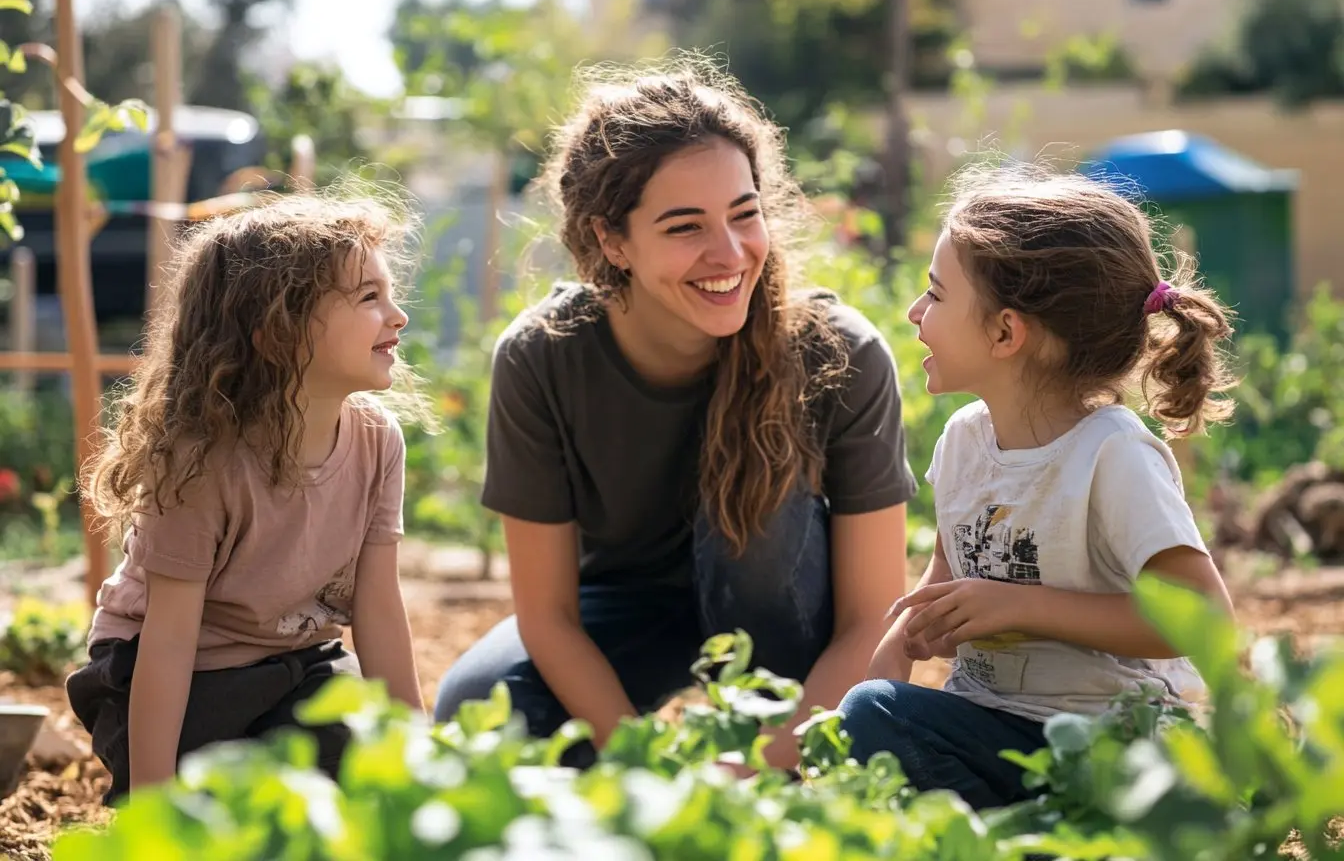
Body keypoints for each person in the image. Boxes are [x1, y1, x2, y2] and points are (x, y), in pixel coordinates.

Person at [432, 56, 920, 772]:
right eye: (684, 226)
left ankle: (796, 760)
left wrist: (762, 769)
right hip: (629, 614)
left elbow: (870, 625)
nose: (728, 254)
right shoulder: (541, 358)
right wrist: (645, 769)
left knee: (753, 526)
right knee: (477, 703)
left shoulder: (840, 356)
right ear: (611, 240)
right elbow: (549, 618)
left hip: (786, 615)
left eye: (744, 214)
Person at [837, 163, 1238, 810]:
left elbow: (1204, 622)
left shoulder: (1112, 453)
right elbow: (939, 587)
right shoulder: (964, 443)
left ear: (1005, 332)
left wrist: (1017, 604)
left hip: (1120, 750)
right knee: (870, 717)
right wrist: (871, 699)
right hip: (996, 729)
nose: (915, 313)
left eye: (936, 295)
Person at [66, 190, 427, 805]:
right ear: (278, 334)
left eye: (390, 295)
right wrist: (157, 812)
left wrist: (422, 768)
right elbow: (169, 640)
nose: (398, 316)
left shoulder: (376, 441)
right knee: (213, 805)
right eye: (369, 297)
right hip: (171, 670)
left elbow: (380, 612)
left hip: (294, 662)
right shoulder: (203, 459)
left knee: (358, 772)